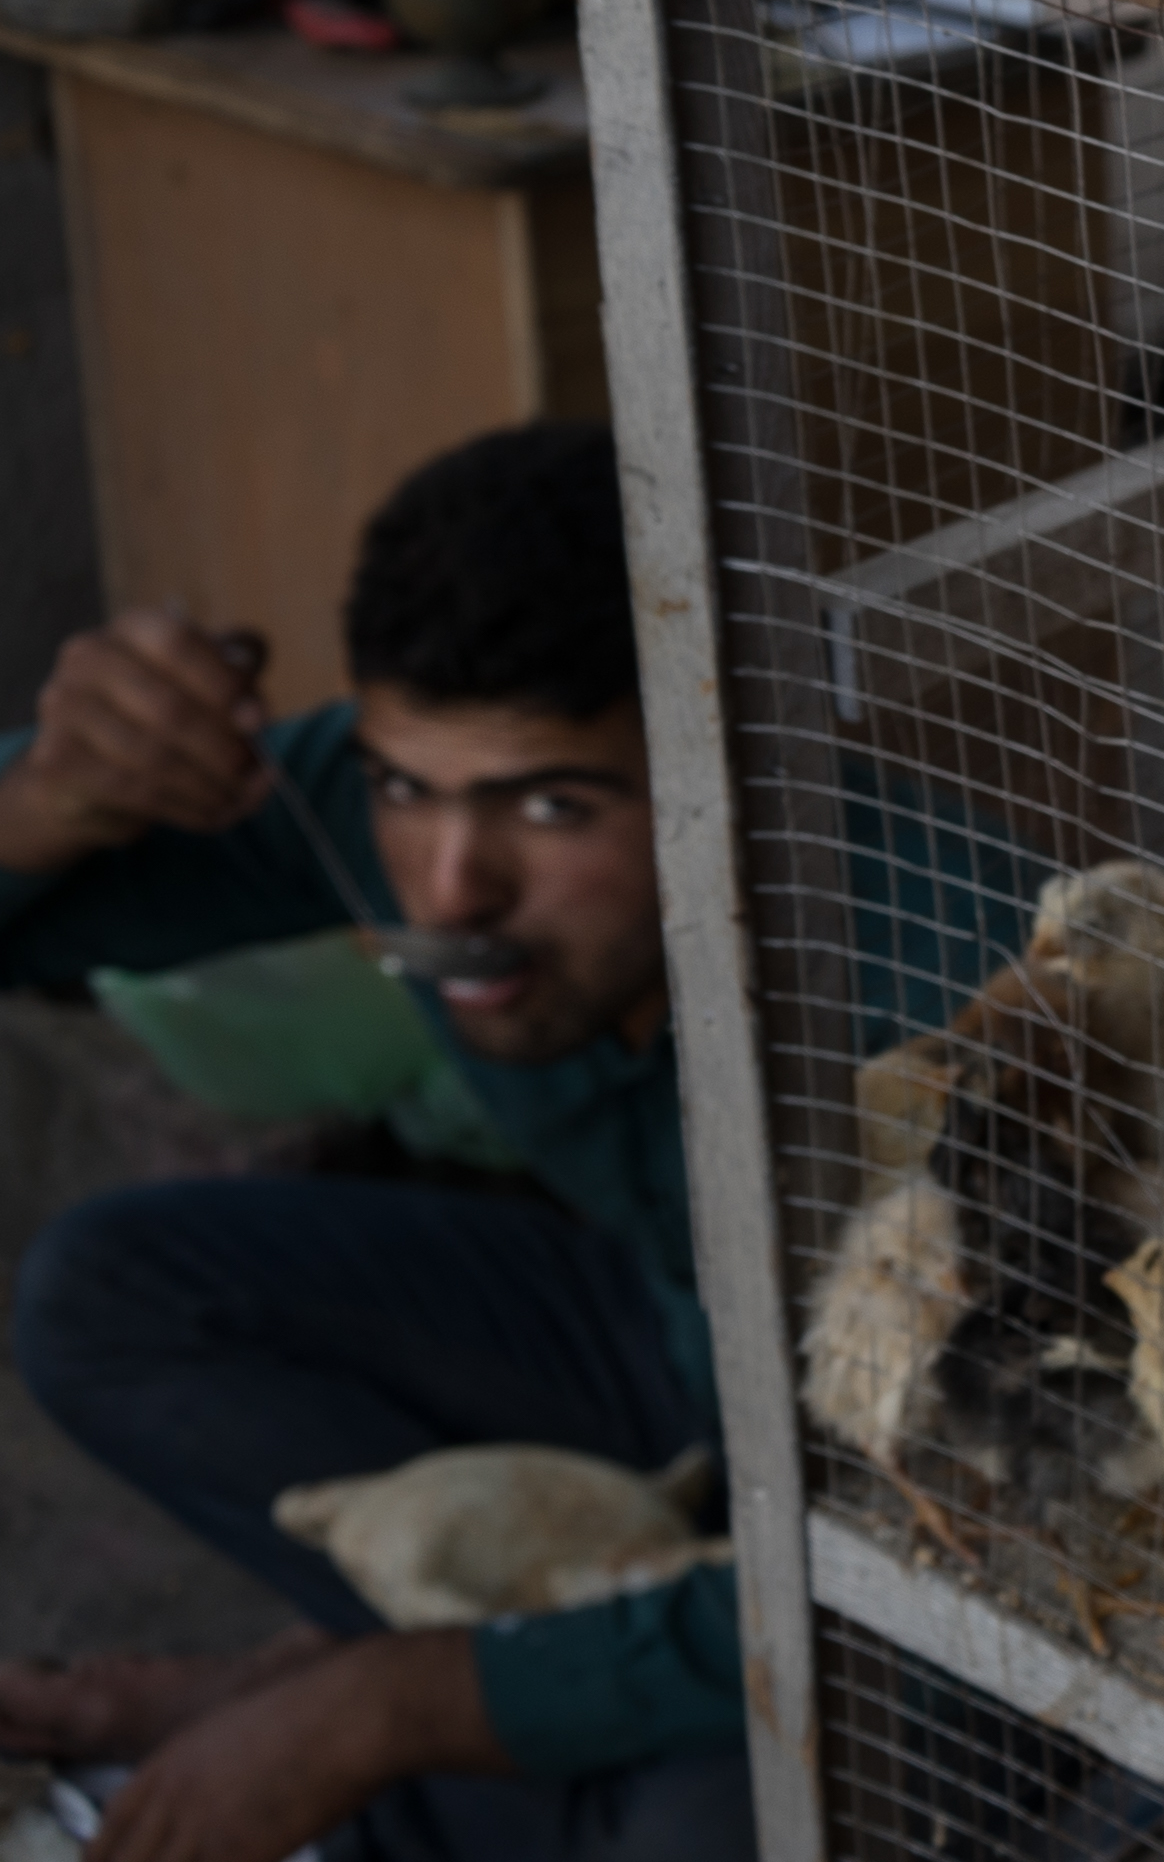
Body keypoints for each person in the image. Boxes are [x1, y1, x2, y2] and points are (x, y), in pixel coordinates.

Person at [0, 422, 746, 1862]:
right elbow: (59, 891)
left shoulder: (928, 998)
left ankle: (393, 1752)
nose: (452, 885)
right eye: (407, 787)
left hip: (915, 1509)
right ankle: (411, 1733)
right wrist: (46, 799)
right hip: (674, 1354)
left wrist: (383, 1711)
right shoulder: (394, 807)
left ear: (718, 758)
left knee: (714, 1825)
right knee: (109, 1294)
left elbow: (987, 1549)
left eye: (553, 806)